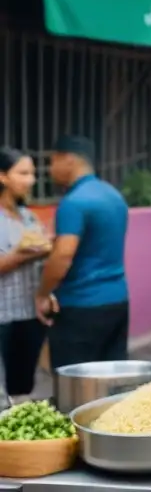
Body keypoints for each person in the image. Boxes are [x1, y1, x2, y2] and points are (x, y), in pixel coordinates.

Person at [37, 136, 131, 368]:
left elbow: (63, 255)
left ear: (68, 160)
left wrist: (42, 293)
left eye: (52, 161)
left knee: (76, 385)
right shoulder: (114, 196)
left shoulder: (74, 202)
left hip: (82, 306)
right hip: (118, 301)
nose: (50, 169)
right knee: (112, 379)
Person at [0, 149, 50, 402]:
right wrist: (28, 254)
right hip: (3, 317)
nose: (30, 180)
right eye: (23, 173)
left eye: (32, 174)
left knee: (22, 390)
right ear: (3, 176)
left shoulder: (28, 216)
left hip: (30, 315)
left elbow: (43, 256)